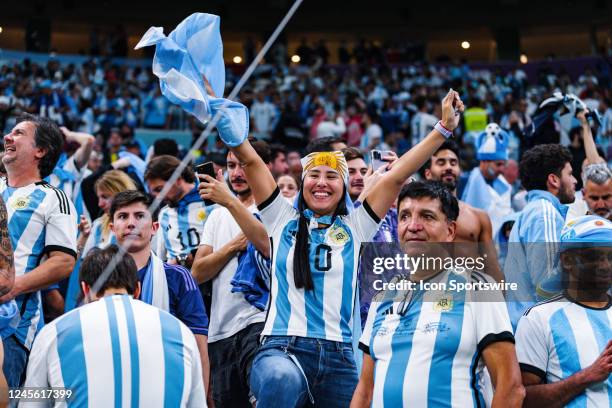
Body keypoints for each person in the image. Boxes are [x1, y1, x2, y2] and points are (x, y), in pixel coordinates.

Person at [215, 89, 464, 407]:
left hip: (341, 356)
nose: (321, 182)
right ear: (302, 184)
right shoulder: (280, 218)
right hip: (282, 348)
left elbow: (398, 174)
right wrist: (231, 129)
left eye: (332, 176)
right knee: (281, 381)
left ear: (344, 186)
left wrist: (443, 128)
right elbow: (249, 159)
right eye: (313, 175)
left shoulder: (357, 225)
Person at [351, 181, 524, 407]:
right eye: (404, 216)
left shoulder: (478, 288)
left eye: (427, 216)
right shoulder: (382, 297)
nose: (413, 225)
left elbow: (510, 388)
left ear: (450, 230)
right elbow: (365, 391)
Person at [21, 245, 207, 407]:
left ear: (86, 290)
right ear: (137, 289)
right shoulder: (180, 332)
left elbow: (31, 402)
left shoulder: (54, 332)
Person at [191, 141, 271, 407]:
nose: (236, 173)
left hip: (260, 324)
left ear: (262, 168)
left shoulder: (277, 212)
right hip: (220, 332)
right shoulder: (216, 216)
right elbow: (197, 273)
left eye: (243, 165)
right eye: (230, 166)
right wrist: (232, 247)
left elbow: (271, 249)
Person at [0, 113, 77, 388]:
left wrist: (14, 287)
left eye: (19, 133)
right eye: (10, 132)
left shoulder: (54, 198)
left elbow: (63, 262)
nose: (8, 137)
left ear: (40, 151)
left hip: (10, 326)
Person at [109, 190, 211, 396]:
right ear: (112, 228)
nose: (131, 223)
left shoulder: (179, 278)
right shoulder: (98, 278)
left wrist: (199, 399)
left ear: (155, 227)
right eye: (123, 216)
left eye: (140, 216)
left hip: (168, 385)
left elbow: (199, 347)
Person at [515, 216, 612, 407]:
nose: (605, 266)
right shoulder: (538, 318)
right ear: (567, 261)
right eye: (593, 257)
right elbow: (523, 398)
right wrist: (587, 376)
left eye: (611, 257)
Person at [504, 144, 577, 328]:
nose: (575, 181)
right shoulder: (545, 213)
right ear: (554, 180)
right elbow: (547, 288)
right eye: (569, 174)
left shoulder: (533, 211)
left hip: (528, 325)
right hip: (542, 330)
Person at [423, 139, 503, 281]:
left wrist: (500, 302)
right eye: (441, 163)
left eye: (453, 163)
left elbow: (492, 266)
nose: (449, 167)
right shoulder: (416, 217)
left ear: (459, 170)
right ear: (428, 173)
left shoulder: (479, 217)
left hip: (472, 296)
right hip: (429, 295)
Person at [145, 155, 215, 267]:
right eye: (154, 192)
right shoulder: (164, 214)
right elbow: (161, 259)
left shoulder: (213, 203)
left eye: (160, 189)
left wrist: (182, 259)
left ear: (177, 179)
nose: (158, 197)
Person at [461, 123, 513, 234]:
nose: (502, 169)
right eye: (498, 164)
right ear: (484, 161)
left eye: (504, 165)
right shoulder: (465, 181)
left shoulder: (504, 184)